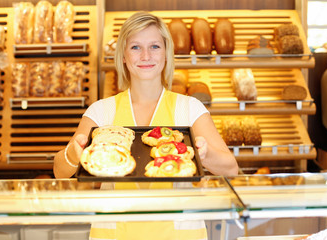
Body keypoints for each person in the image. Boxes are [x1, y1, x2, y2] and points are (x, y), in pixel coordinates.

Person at [54, 11, 238, 240]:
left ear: (167, 54)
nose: (145, 56)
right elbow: (59, 171)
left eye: (154, 46)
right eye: (135, 47)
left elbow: (231, 168)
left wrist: (205, 155)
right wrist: (74, 153)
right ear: (123, 55)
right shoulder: (102, 112)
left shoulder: (189, 109)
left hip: (180, 235)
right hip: (114, 235)